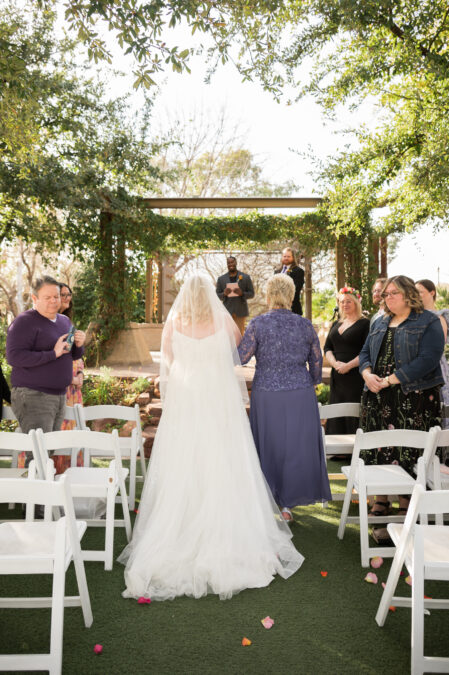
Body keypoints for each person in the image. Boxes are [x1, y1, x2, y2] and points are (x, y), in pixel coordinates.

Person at [119, 275, 303, 601]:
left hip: (187, 403)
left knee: (186, 461)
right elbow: (236, 356)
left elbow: (168, 366)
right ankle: (229, 532)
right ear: (212, 297)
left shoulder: (173, 323)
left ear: (184, 298)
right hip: (218, 402)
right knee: (223, 459)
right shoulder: (226, 323)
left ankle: (180, 529)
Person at [238, 274, 331, 522]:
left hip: (267, 393)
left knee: (268, 445)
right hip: (300, 393)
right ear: (292, 296)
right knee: (295, 448)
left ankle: (266, 500)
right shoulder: (305, 325)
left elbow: (241, 357)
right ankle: (287, 505)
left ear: (268, 296)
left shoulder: (257, 325)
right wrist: (307, 383)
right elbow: (316, 364)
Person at [359, 275, 444, 516]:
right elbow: (365, 352)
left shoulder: (428, 321)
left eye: (393, 293)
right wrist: (366, 374)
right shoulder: (378, 321)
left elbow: (428, 359)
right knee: (380, 446)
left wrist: (390, 380)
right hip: (377, 395)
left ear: (408, 294)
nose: (387, 297)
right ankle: (381, 499)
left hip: (414, 397)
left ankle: (408, 503)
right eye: (385, 294)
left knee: (409, 449)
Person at [6, 276, 85, 461]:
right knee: (38, 456)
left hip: (58, 395)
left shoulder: (65, 321)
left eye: (56, 297)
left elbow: (72, 354)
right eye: (47, 297)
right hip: (33, 395)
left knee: (47, 452)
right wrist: (52, 353)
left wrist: (79, 344)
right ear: (34, 298)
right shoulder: (24, 322)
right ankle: (30, 490)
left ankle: (41, 488)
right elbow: (14, 357)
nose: (53, 301)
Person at [323, 287, 370, 434]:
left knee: (353, 408)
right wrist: (335, 364)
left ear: (356, 302)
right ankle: (338, 449)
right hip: (337, 375)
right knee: (336, 406)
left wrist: (348, 365)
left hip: (356, 374)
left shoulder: (365, 324)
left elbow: (367, 351)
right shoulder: (336, 324)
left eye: (348, 301)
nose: (345, 304)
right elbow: (327, 348)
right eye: (342, 302)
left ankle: (354, 448)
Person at [52, 283, 85, 473]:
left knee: (73, 434)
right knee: (58, 435)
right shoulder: (48, 324)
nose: (66, 298)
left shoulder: (68, 322)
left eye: (68, 294)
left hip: (74, 391)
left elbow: (76, 355)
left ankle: (72, 479)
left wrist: (80, 374)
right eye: (61, 294)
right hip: (59, 389)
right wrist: (69, 379)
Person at [416, 278, 449, 430]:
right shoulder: (412, 316)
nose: (417, 295)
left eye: (420, 292)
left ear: (432, 293)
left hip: (434, 365)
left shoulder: (438, 316)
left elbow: (438, 345)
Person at [216, 256, 254, 334]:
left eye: (232, 262)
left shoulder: (245, 277)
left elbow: (252, 294)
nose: (231, 264)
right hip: (227, 312)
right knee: (228, 335)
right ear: (227, 264)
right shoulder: (221, 279)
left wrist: (242, 293)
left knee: (240, 334)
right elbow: (217, 295)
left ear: (236, 263)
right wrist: (224, 294)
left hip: (240, 312)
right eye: (228, 263)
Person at [274, 247, 304, 315]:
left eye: (288, 256)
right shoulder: (277, 271)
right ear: (282, 257)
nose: (286, 258)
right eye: (284, 256)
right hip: (277, 309)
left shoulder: (298, 271)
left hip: (293, 308)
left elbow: (297, 288)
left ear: (293, 258)